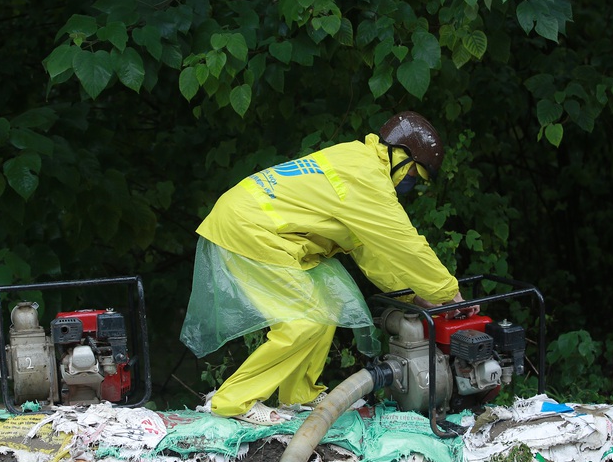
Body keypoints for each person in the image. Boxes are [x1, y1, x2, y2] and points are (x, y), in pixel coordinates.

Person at [180, 111, 476, 425]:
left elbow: (369, 251)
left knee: (326, 308)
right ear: (399, 155)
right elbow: (404, 243)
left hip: (269, 230)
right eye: (415, 175)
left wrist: (409, 297)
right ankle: (232, 402)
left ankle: (299, 394)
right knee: (302, 322)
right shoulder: (366, 177)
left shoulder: (359, 163)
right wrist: (447, 292)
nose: (412, 185)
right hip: (251, 228)